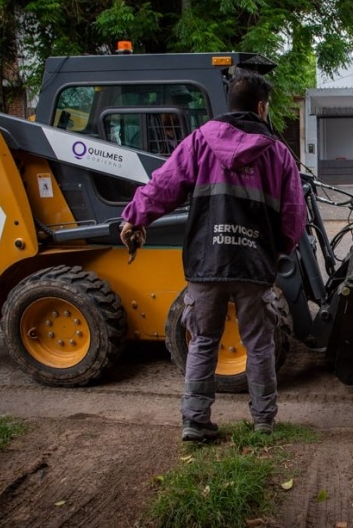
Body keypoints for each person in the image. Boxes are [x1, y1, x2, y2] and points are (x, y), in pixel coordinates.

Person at [119, 70, 306, 441]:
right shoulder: (279, 154)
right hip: (254, 266)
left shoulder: (199, 142)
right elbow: (294, 216)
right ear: (261, 107)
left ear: (230, 104)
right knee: (259, 343)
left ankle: (195, 421)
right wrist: (276, 250)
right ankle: (264, 421)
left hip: (207, 263)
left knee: (203, 340)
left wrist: (133, 218)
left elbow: (162, 186)